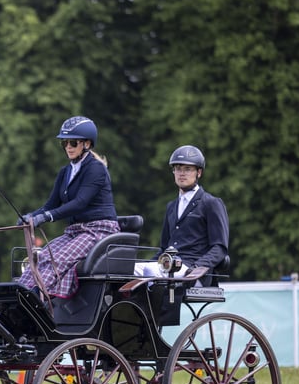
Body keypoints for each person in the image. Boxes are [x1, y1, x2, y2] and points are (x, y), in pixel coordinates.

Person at [18, 116, 119, 298]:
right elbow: (51, 204)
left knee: (56, 260)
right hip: (75, 231)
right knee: (42, 257)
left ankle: (33, 297)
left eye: (73, 142)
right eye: (64, 143)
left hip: (99, 230)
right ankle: (17, 294)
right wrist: (31, 217)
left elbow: (80, 203)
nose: (68, 147)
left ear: (87, 144)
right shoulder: (65, 172)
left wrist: (46, 217)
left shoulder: (96, 169)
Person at [134, 145, 229, 285]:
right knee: (127, 269)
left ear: (199, 173)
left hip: (194, 271)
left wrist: (196, 267)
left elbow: (219, 248)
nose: (182, 173)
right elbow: (164, 248)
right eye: (178, 169)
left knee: (149, 271)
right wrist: (146, 263)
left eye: (188, 169)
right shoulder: (171, 207)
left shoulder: (211, 203)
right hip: (167, 266)